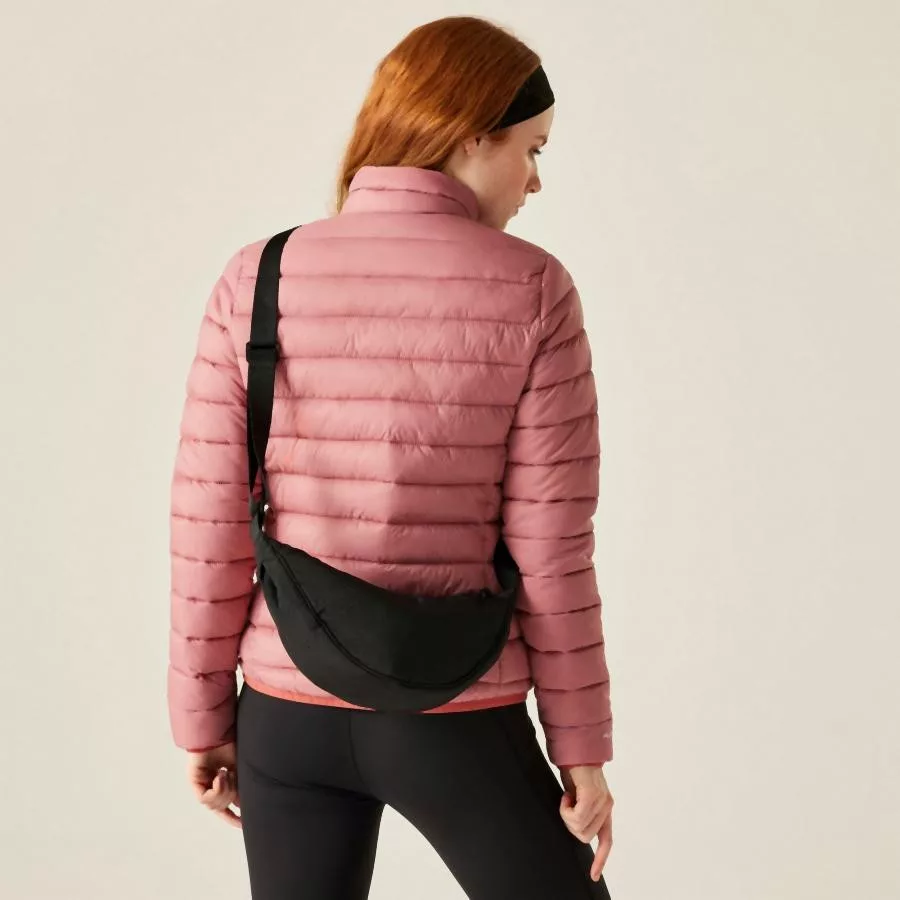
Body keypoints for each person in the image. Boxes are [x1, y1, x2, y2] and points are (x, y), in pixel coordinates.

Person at [167, 14, 615, 900]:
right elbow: (552, 549)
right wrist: (582, 750)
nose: (535, 179)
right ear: (471, 132)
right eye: (531, 149)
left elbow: (207, 522)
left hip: (284, 715)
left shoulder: (259, 275)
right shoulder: (533, 287)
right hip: (456, 712)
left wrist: (203, 719)